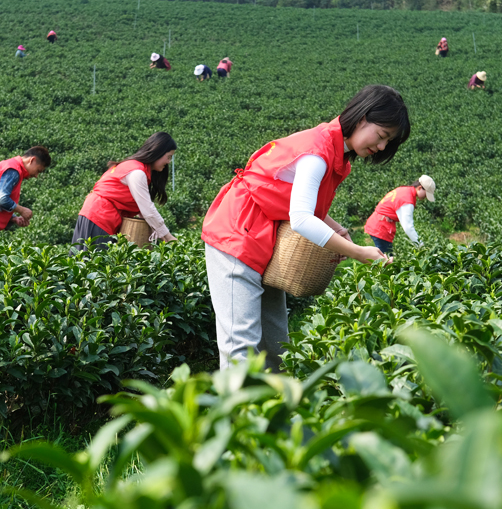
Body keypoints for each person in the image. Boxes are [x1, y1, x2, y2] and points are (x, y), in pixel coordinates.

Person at [202, 85, 411, 371]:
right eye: (383, 136)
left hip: (266, 239)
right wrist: (357, 252)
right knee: (242, 346)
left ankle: (273, 410)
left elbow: (301, 204)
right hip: (238, 233)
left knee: (275, 344)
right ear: (363, 118)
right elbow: (301, 218)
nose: (383, 147)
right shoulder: (318, 152)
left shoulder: (335, 151)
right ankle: (234, 414)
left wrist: (338, 231)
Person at [72, 132, 178, 251]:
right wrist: (168, 237)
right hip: (100, 216)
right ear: (158, 152)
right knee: (92, 263)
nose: (169, 161)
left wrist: (161, 234)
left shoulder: (134, 167)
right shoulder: (137, 172)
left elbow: (144, 212)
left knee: (86, 260)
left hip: (94, 213)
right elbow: (147, 210)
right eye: (168, 157)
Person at [364, 176, 436, 255]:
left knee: (384, 257)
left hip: (377, 223)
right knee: (385, 260)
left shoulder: (404, 190)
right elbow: (408, 227)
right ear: (419, 188)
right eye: (426, 194)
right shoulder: (407, 200)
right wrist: (420, 245)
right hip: (381, 227)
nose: (425, 197)